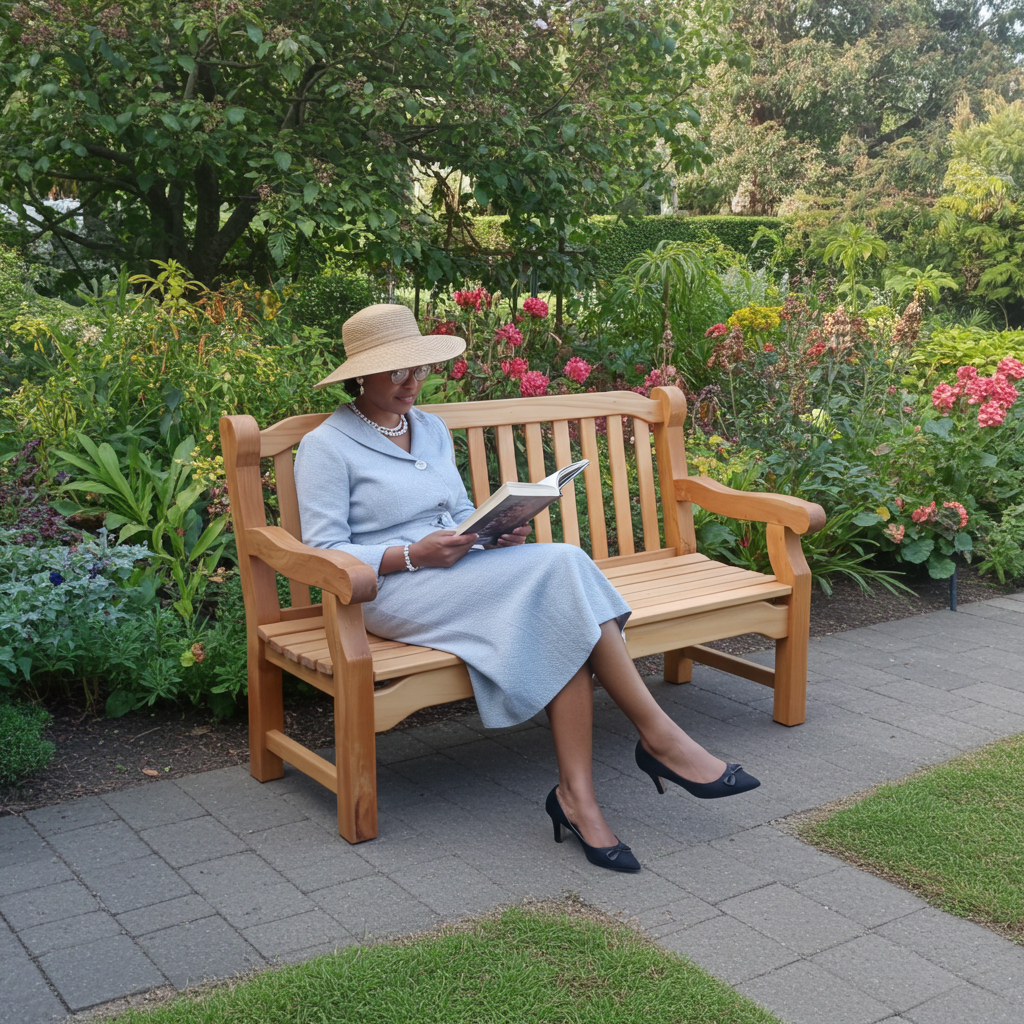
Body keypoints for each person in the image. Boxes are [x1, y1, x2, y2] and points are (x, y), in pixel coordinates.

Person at [294, 303, 759, 873]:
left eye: (416, 370)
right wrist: (413, 553)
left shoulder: (430, 427)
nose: (412, 383)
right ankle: (659, 741)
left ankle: (579, 798)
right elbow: (324, 552)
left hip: (462, 571)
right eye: (397, 373)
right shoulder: (326, 446)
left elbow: (458, 510)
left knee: (556, 600)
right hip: (391, 590)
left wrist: (493, 531)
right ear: (359, 376)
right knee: (561, 569)